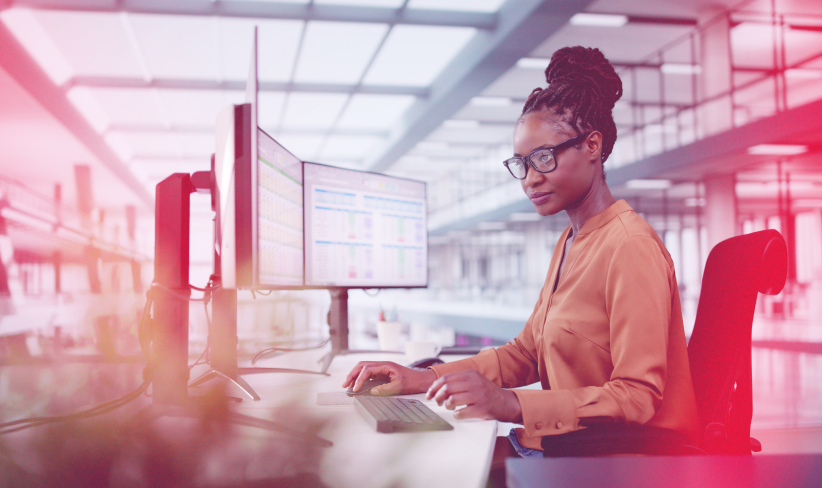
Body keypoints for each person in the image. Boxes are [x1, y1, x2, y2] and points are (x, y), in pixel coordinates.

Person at [341, 46, 699, 466]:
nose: (530, 179)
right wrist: (421, 378)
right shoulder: (572, 239)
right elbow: (527, 353)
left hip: (622, 462)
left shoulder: (629, 246)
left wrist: (511, 404)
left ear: (592, 146)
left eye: (544, 158)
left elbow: (637, 399)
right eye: (522, 164)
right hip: (570, 448)